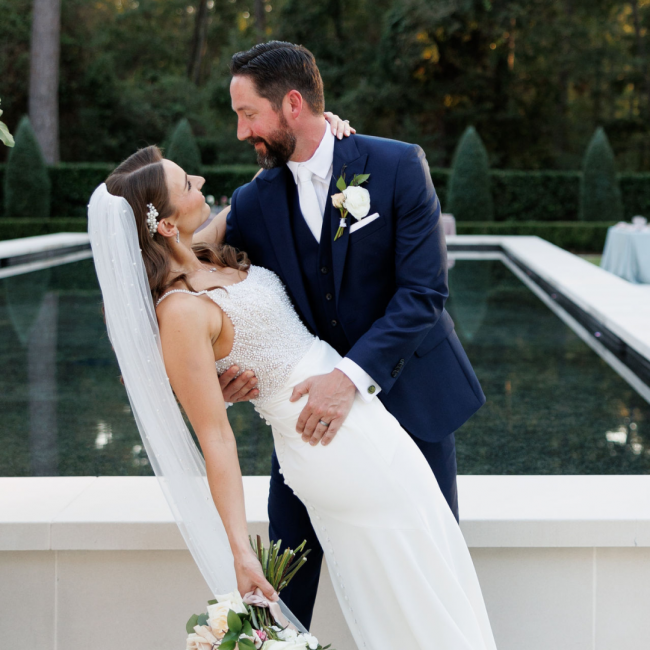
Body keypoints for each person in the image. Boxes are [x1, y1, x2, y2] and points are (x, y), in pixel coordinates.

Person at [89, 134, 496, 647]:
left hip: (361, 418)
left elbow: (268, 190)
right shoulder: (180, 313)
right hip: (326, 440)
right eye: (186, 183)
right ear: (165, 223)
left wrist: (325, 134)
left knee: (430, 569)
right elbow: (216, 439)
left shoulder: (203, 255)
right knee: (412, 586)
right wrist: (238, 550)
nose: (200, 181)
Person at [201, 41, 486, 630]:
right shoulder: (253, 202)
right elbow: (182, 270)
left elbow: (424, 294)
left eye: (248, 114)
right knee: (280, 596)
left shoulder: (398, 166)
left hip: (413, 403)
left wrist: (348, 379)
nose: (239, 132)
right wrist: (222, 374)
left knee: (429, 581)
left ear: (293, 104)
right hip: (309, 430)